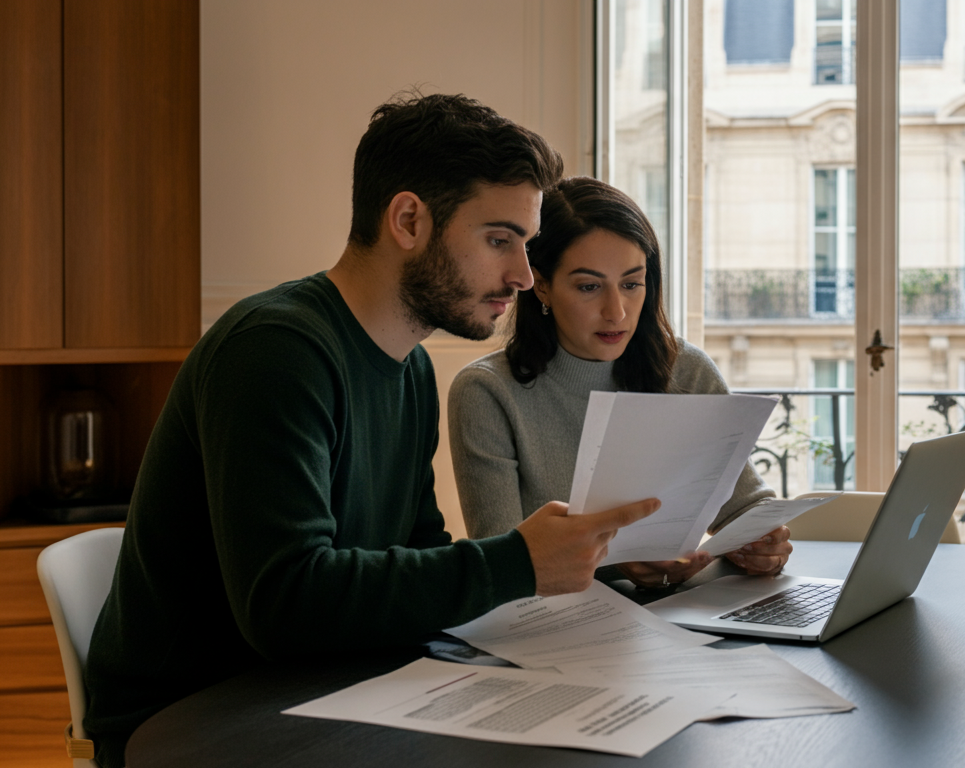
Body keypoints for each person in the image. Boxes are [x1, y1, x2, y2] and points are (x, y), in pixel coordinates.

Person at [82, 95, 660, 767]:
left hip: (330, 688)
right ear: (409, 220)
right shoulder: (275, 351)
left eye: (525, 246)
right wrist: (517, 562)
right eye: (499, 240)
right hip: (201, 717)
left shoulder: (409, 368)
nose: (522, 276)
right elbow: (285, 605)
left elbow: (417, 556)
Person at [448, 177, 792, 590]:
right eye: (590, 287)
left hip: (681, 616)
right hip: (561, 631)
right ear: (542, 285)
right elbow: (501, 567)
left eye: (632, 284)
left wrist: (763, 545)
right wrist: (611, 562)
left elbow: (745, 505)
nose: (617, 312)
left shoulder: (687, 369)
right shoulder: (486, 393)